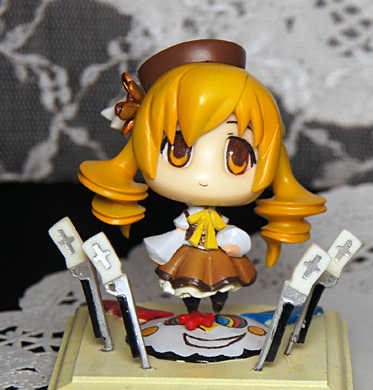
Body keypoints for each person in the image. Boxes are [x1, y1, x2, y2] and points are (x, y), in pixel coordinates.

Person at [79, 40, 325, 313]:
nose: (204, 178)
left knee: (222, 287)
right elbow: (178, 233)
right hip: (190, 256)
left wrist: (236, 245)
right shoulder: (186, 219)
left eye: (238, 156)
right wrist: (165, 247)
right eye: (178, 152)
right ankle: (193, 313)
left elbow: (234, 235)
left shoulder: (221, 221)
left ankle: (216, 311)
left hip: (218, 258)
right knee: (187, 286)